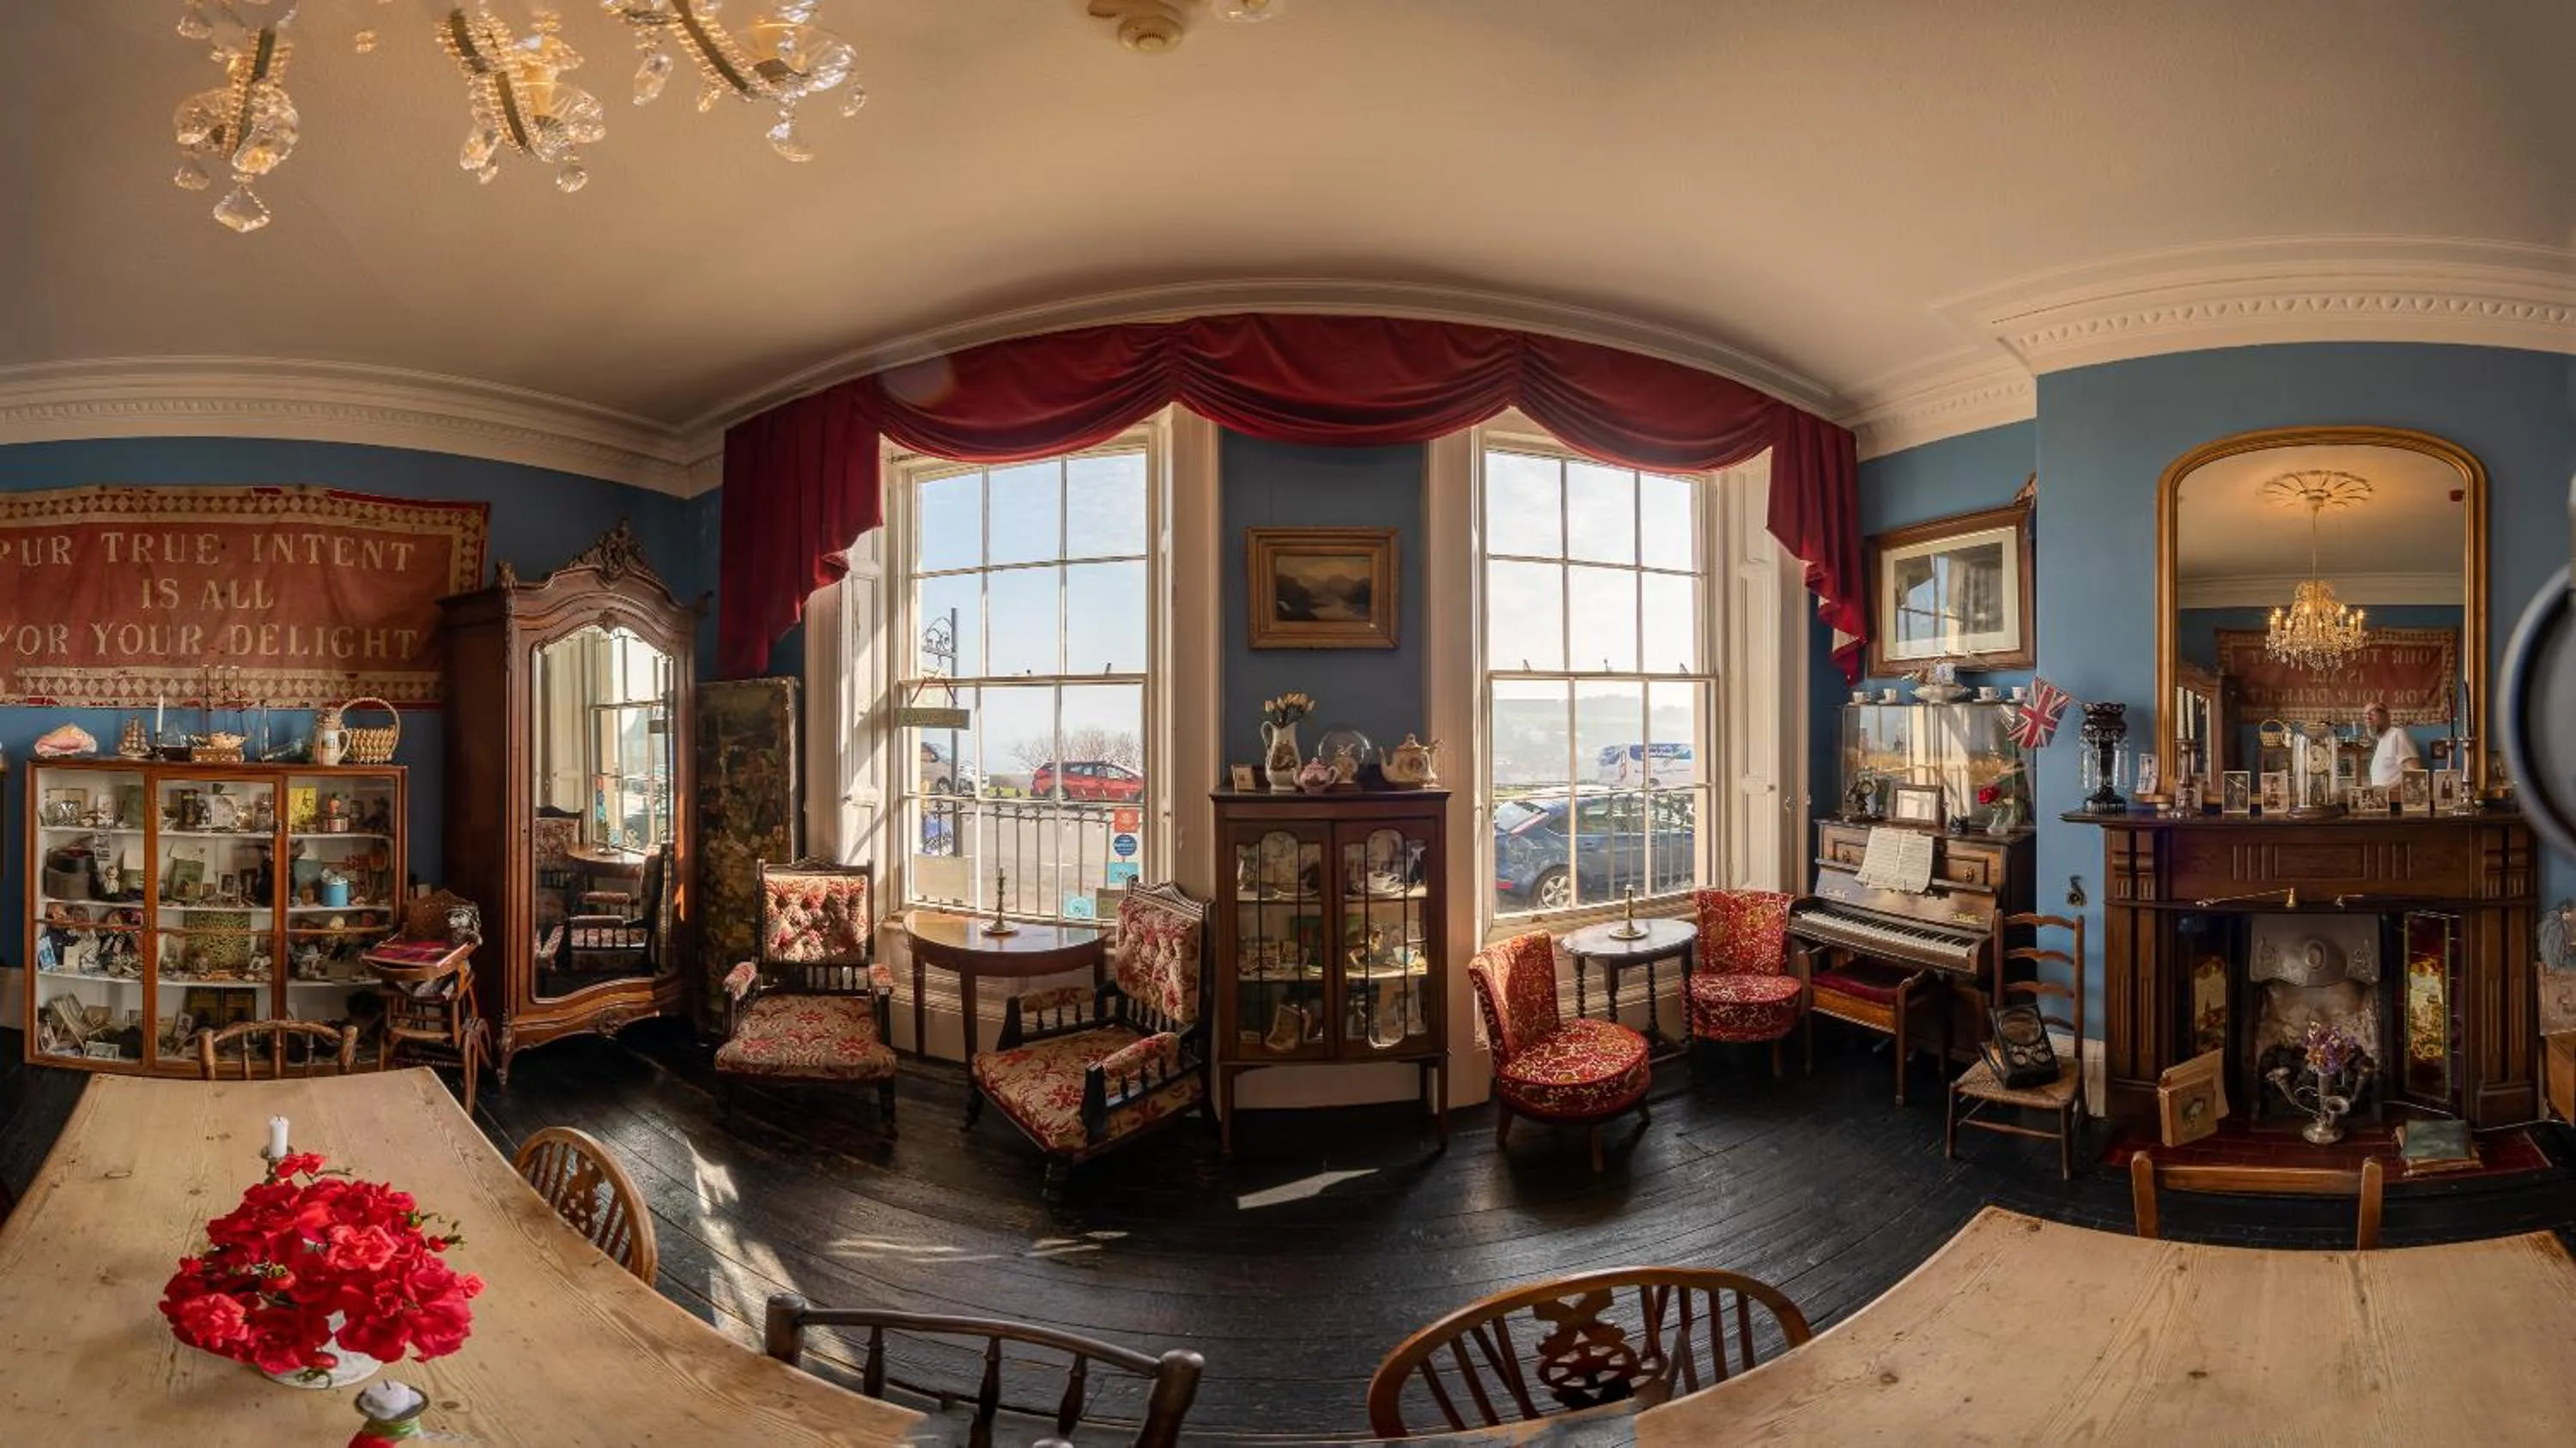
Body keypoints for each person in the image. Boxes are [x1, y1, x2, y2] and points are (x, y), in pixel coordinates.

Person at [2365, 701, 2421, 786]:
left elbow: (2416, 774)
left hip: (2394, 799)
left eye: (2372, 712)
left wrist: (2388, 792)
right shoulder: (2381, 741)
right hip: (2382, 798)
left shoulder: (2397, 735)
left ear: (2387, 715)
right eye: (2365, 715)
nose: (2368, 718)